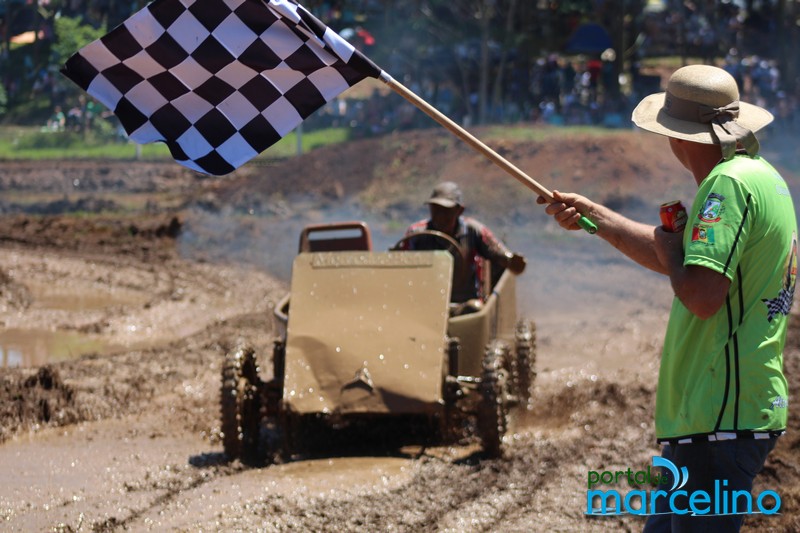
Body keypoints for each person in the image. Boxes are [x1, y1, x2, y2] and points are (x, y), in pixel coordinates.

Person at [538, 64, 795, 531]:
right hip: (718, 413)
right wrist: (597, 217)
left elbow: (699, 294)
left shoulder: (727, 186)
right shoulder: (760, 177)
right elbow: (682, 263)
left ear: (679, 137)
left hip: (720, 413)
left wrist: (674, 252)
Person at [400, 181, 526, 305]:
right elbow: (399, 263)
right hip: (424, 303)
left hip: (463, 304)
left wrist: (511, 261)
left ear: (459, 210)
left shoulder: (474, 231)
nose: (440, 216)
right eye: (436, 209)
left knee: (474, 307)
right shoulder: (416, 233)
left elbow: (501, 256)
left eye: (445, 210)